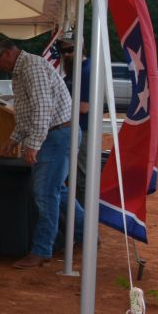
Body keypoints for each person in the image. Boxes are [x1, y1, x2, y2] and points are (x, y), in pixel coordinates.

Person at [0, 36, 85, 269]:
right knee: (56, 190)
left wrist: (33, 144)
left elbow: (42, 108)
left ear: (7, 53)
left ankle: (41, 250)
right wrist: (14, 139)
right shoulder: (20, 72)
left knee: (44, 193)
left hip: (57, 135)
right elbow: (26, 112)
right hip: (56, 133)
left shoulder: (32, 68)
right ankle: (85, 234)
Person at [58, 40, 92, 201]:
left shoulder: (87, 71)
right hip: (70, 129)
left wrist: (57, 107)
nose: (66, 54)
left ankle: (83, 214)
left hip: (83, 129)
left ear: (81, 48)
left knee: (81, 176)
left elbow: (84, 107)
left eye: (70, 49)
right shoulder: (74, 70)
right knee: (70, 175)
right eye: (63, 51)